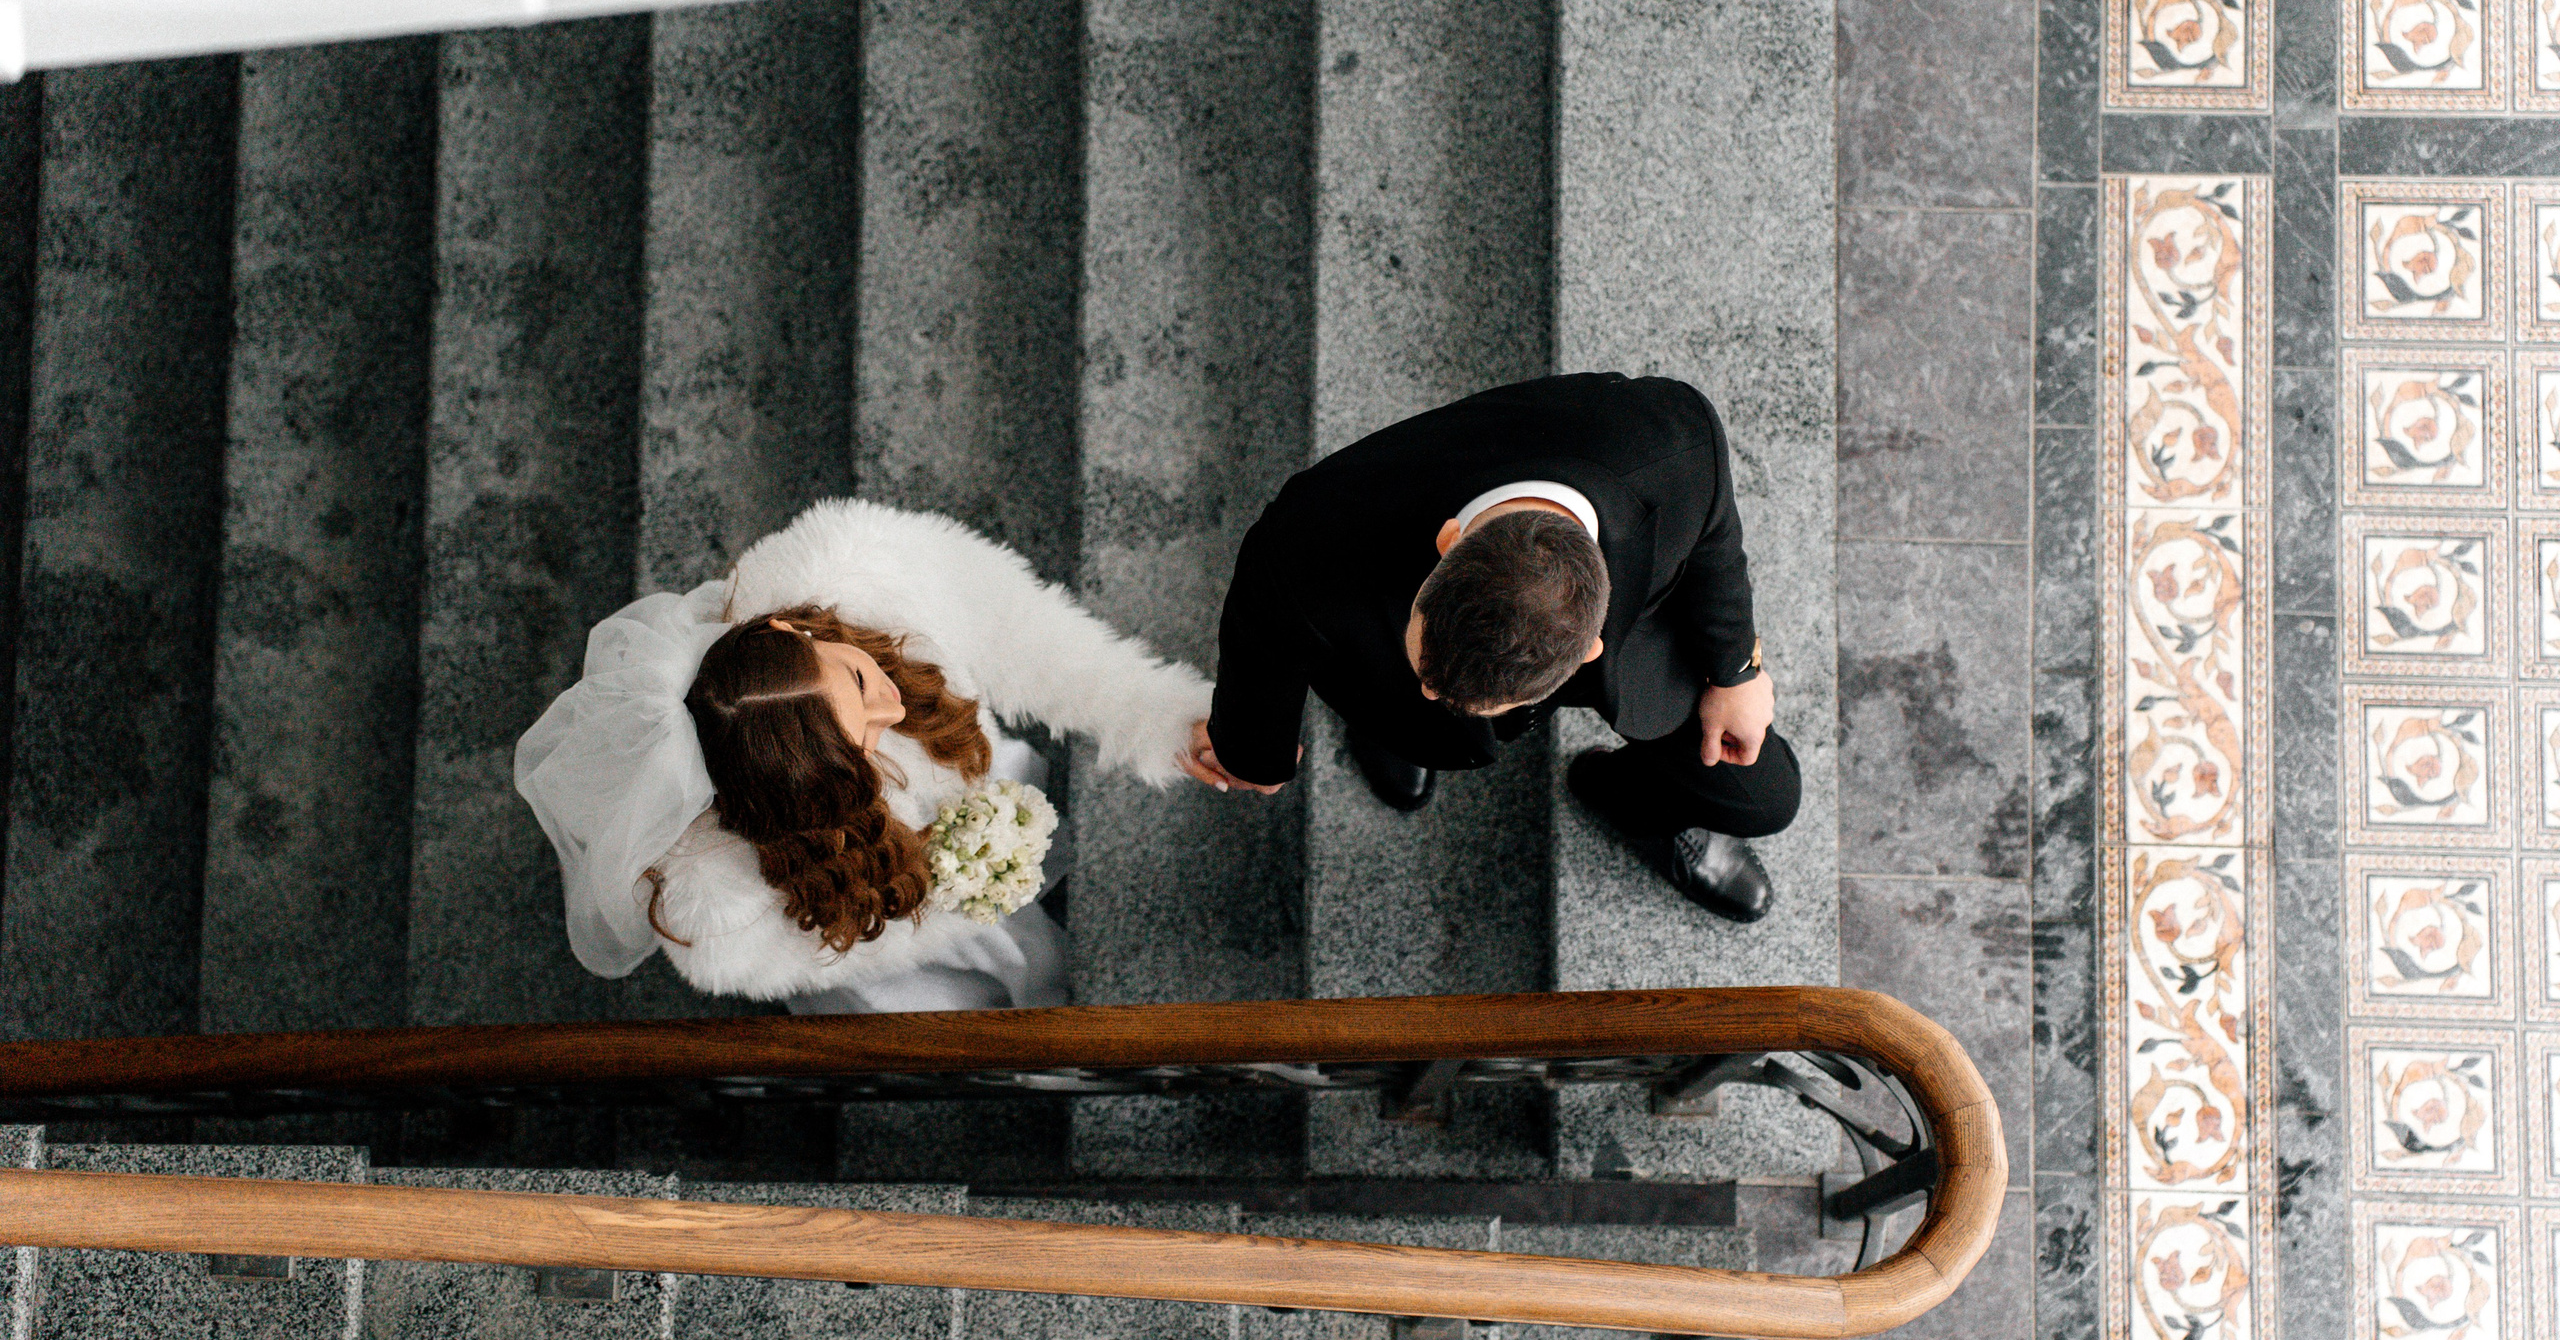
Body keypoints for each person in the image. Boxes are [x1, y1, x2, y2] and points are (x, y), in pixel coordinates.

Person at [515, 499, 1211, 1012]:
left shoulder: (859, 569)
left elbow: (1031, 637)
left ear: (791, 628)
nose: (893, 709)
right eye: (863, 743)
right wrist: (943, 887)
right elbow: (821, 947)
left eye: (855, 679)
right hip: (876, 905)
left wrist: (1163, 719)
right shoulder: (721, 903)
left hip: (965, 781)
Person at [1183, 372, 1799, 924]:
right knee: (1394, 698)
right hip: (1373, 631)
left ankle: (1626, 800)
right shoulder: (1308, 538)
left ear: (1587, 648)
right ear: (1449, 542)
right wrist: (1253, 751)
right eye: (1431, 674)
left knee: (1764, 798)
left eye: (1452, 693)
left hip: (1636, 640)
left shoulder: (1673, 442)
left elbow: (1715, 532)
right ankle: (1387, 729)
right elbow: (1261, 639)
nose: (1433, 692)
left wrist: (1737, 670)